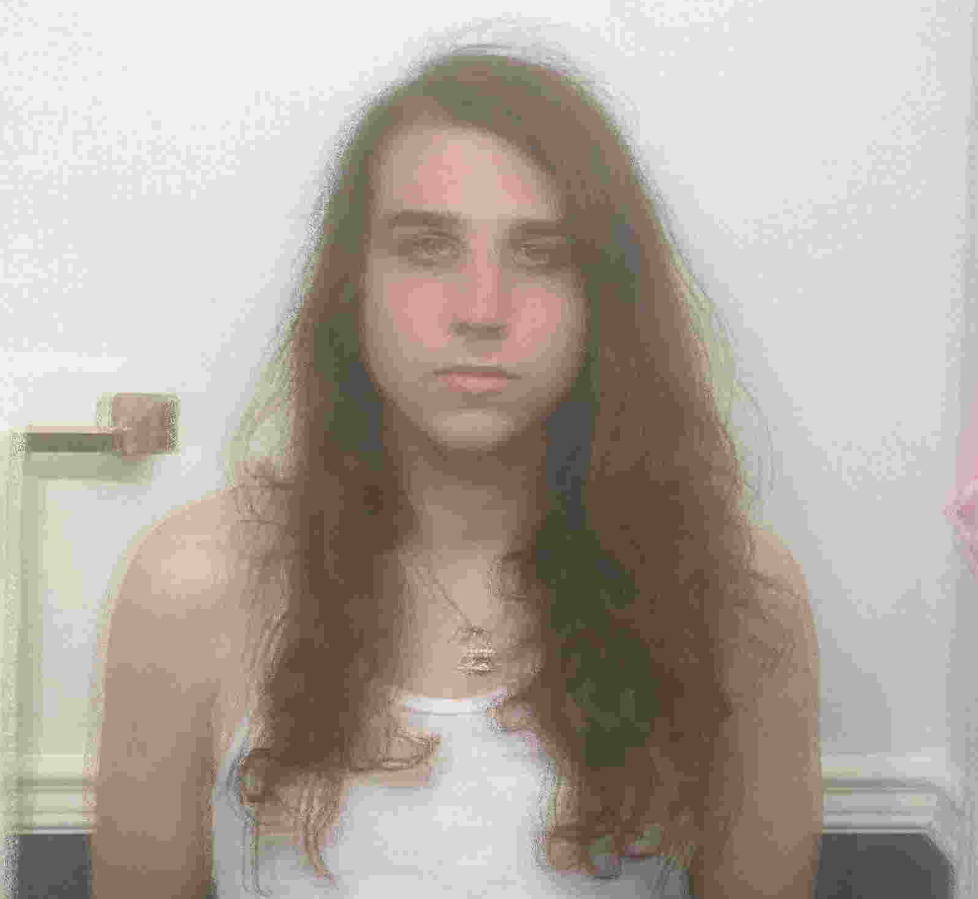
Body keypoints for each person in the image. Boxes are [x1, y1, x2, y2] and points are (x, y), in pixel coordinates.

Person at [90, 39, 821, 899]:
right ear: (353, 287)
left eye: (542, 254)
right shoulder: (191, 585)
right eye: (427, 246)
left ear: (606, 297)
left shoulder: (738, 597)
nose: (481, 309)